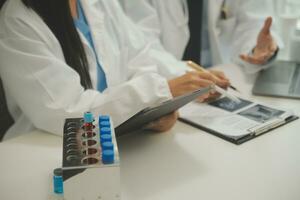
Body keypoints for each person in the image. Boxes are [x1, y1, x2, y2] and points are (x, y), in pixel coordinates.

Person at [0, 0, 229, 140]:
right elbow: (67, 113)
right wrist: (157, 92)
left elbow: (140, 58)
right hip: (48, 152)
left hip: (121, 143)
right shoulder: (18, 20)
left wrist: (152, 114)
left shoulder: (98, 3)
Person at [119, 0, 281, 73]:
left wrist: (257, 49)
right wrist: (184, 74)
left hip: (223, 78)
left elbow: (254, 21)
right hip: (167, 85)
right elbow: (142, 46)